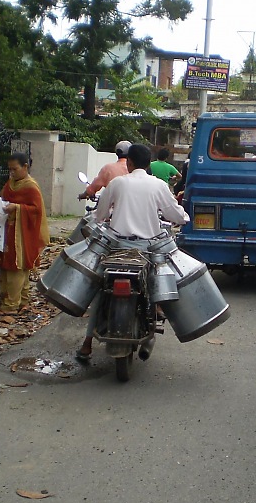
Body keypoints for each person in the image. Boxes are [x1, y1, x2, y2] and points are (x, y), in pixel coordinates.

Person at [76, 144, 189, 360]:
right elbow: (175, 214)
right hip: (146, 249)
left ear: (129, 163)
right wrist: (184, 218)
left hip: (117, 247)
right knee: (156, 282)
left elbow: (100, 215)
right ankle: (154, 320)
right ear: (149, 164)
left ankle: (87, 343)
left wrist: (105, 217)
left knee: (101, 290)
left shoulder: (118, 183)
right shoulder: (158, 185)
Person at [0, 153, 49, 313]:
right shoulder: (11, 183)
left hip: (22, 233)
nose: (11, 173)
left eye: (15, 169)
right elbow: (2, 196)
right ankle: (21, 300)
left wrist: (17, 208)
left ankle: (11, 305)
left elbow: (36, 210)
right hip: (8, 231)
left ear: (25, 167)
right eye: (10, 169)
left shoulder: (31, 187)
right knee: (8, 265)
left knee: (17, 267)